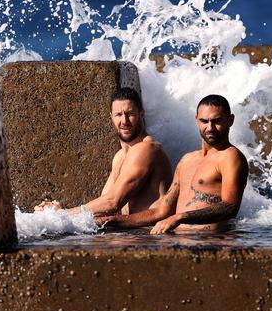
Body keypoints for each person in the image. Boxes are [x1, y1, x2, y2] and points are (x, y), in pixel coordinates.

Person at [98, 94, 249, 233]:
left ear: (230, 120)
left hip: (210, 242)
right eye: (204, 121)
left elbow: (230, 207)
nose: (210, 128)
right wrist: (116, 221)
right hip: (178, 241)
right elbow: (163, 210)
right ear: (197, 119)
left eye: (217, 121)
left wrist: (180, 217)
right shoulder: (187, 160)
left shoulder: (231, 157)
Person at [35, 88, 172, 216]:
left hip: (152, 236)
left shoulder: (146, 149)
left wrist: (62, 214)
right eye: (118, 115)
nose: (124, 121)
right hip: (133, 234)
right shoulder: (120, 157)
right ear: (111, 116)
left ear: (141, 114)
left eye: (130, 114)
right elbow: (103, 204)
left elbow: (112, 203)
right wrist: (56, 209)